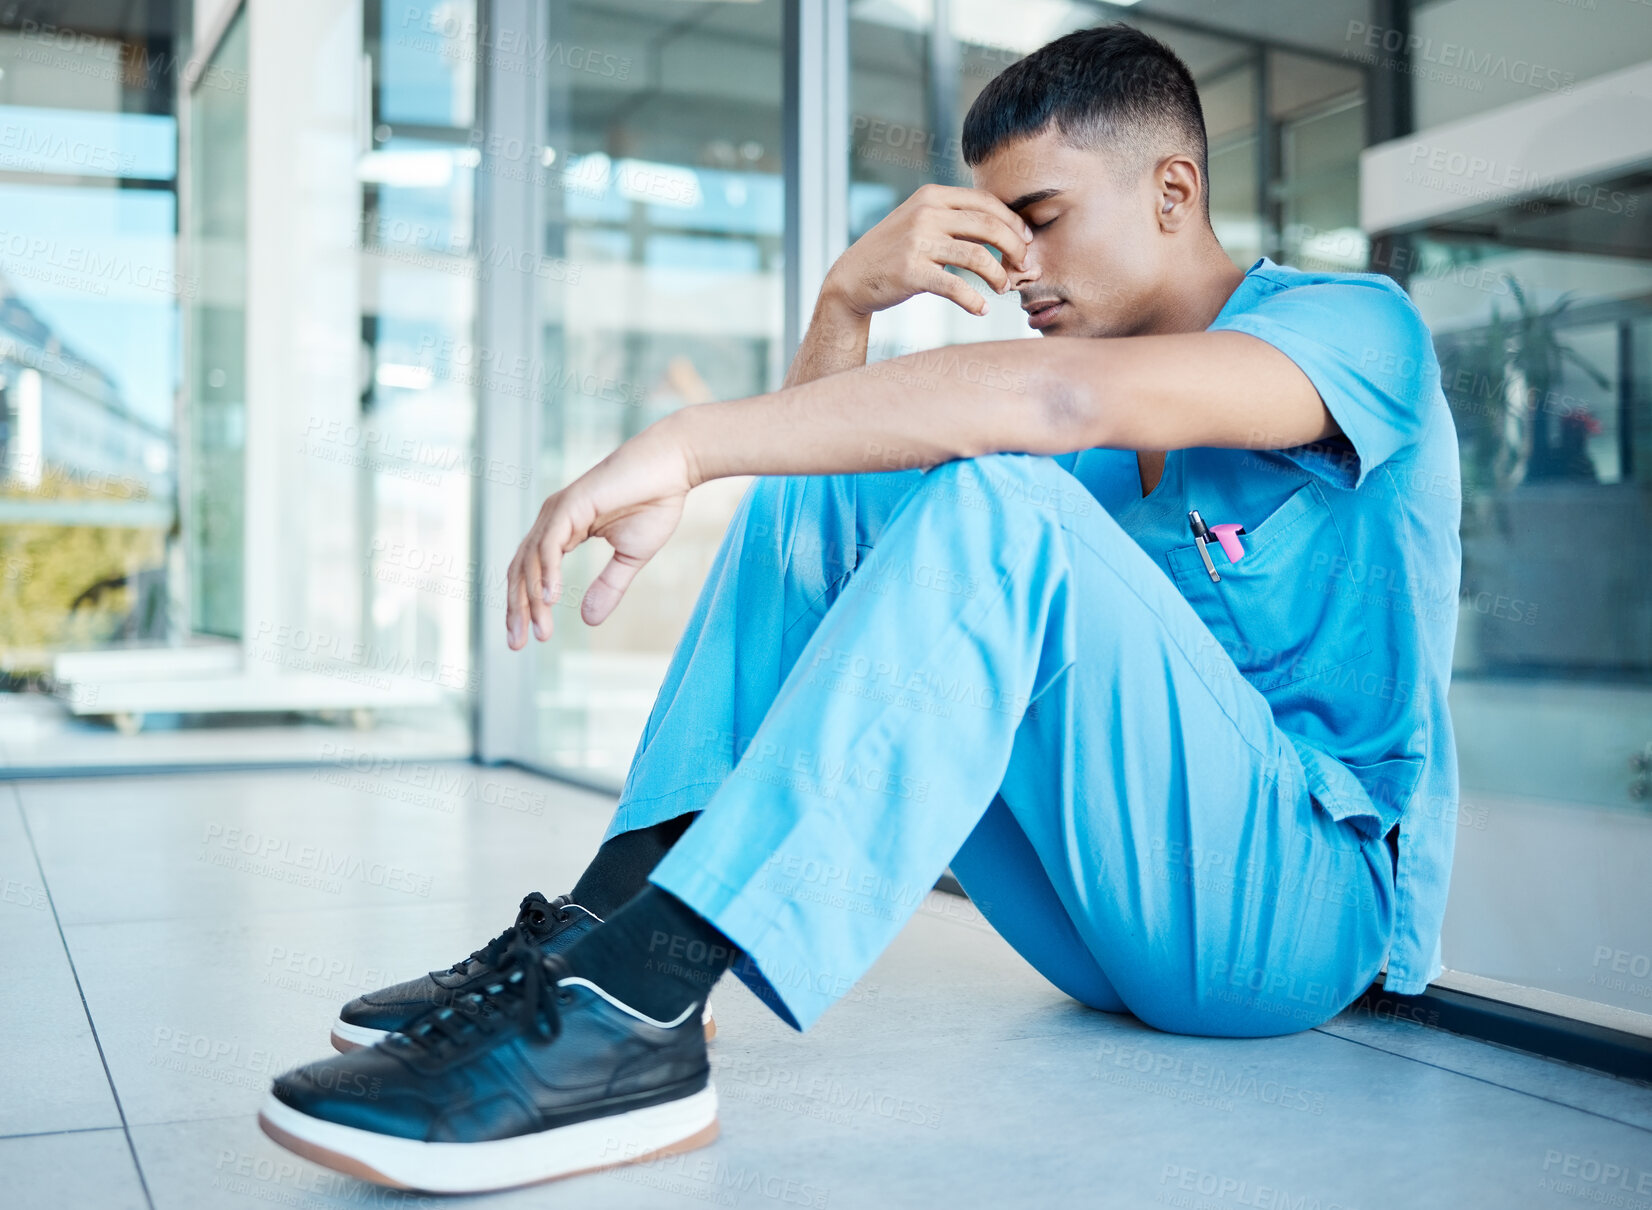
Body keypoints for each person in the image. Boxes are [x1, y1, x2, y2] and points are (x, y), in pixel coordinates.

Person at [258, 23, 1461, 1194]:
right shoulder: (1079, 440)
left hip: (1293, 919)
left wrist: (685, 445)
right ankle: (603, 939)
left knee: (999, 492)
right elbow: (833, 488)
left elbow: (1051, 401)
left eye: (1038, 220)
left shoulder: (1354, 328)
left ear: (1171, 188)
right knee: (839, 486)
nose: (1016, 273)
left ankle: (637, 1011)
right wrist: (845, 301)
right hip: (1096, 933)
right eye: (997, 235)